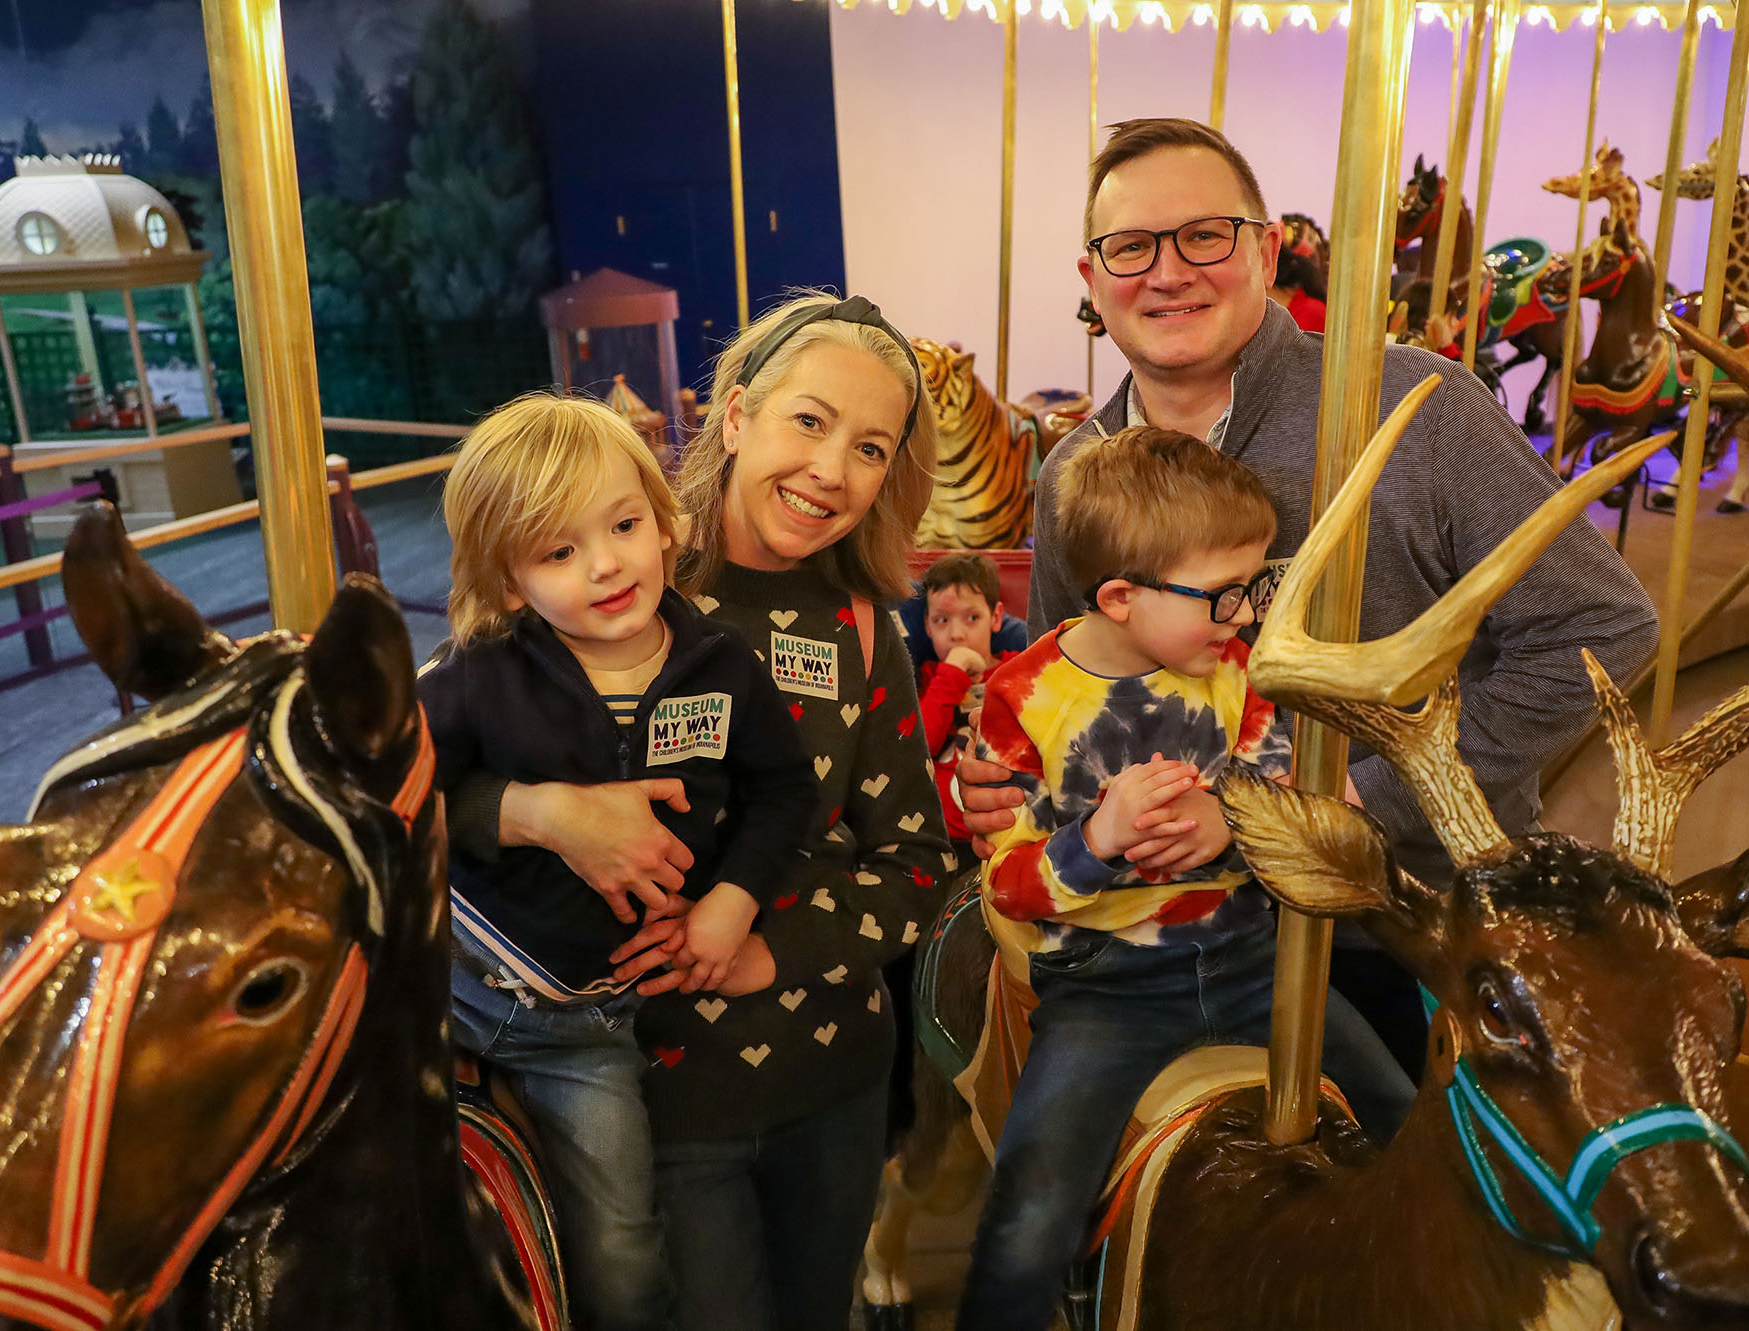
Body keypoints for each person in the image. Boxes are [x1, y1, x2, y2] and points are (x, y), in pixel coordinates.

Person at [958, 117, 1661, 1081]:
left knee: (1400, 1207)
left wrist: (1350, 800)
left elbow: (1602, 627)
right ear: (1091, 279)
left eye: (1204, 234)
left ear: (1266, 247)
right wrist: (1011, 776)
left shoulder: (1416, 409)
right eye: (1130, 247)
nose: (1167, 272)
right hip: (1150, 930)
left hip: (1390, 917)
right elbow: (1065, 683)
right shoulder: (1076, 469)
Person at [444, 294, 951, 1331]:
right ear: (734, 417)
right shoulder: (593, 573)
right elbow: (415, 783)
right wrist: (546, 813)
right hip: (650, 1081)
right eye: (806, 422)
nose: (829, 470)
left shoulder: (860, 628)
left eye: (869, 447)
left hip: (831, 1074)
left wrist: (764, 943)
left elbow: (912, 864)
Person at [955, 427, 1414, 1331]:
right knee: (1031, 1212)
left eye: (1250, 589)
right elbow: (1006, 879)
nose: (1242, 615)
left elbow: (1290, 799)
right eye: (1222, 595)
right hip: (1107, 990)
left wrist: (1231, 819)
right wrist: (1095, 837)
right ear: (1120, 596)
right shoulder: (1024, 696)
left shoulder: (1239, 676)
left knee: (1404, 1118)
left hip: (1255, 965)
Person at [420, 393, 818, 1331]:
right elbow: (393, 797)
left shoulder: (723, 664)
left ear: (663, 519)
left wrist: (730, 901)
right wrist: (528, 811)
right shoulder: (480, 669)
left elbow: (784, 793)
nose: (604, 565)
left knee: (626, 1257)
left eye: (623, 525)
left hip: (583, 1024)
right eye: (558, 552)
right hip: (448, 983)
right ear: (512, 582)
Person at [917, 552, 1019, 873]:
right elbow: (919, 747)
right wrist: (953, 672)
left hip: (1004, 832)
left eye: (971, 618)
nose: (957, 634)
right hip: (938, 839)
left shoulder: (1016, 670)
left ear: (997, 617)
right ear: (927, 627)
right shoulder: (929, 680)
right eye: (942, 620)